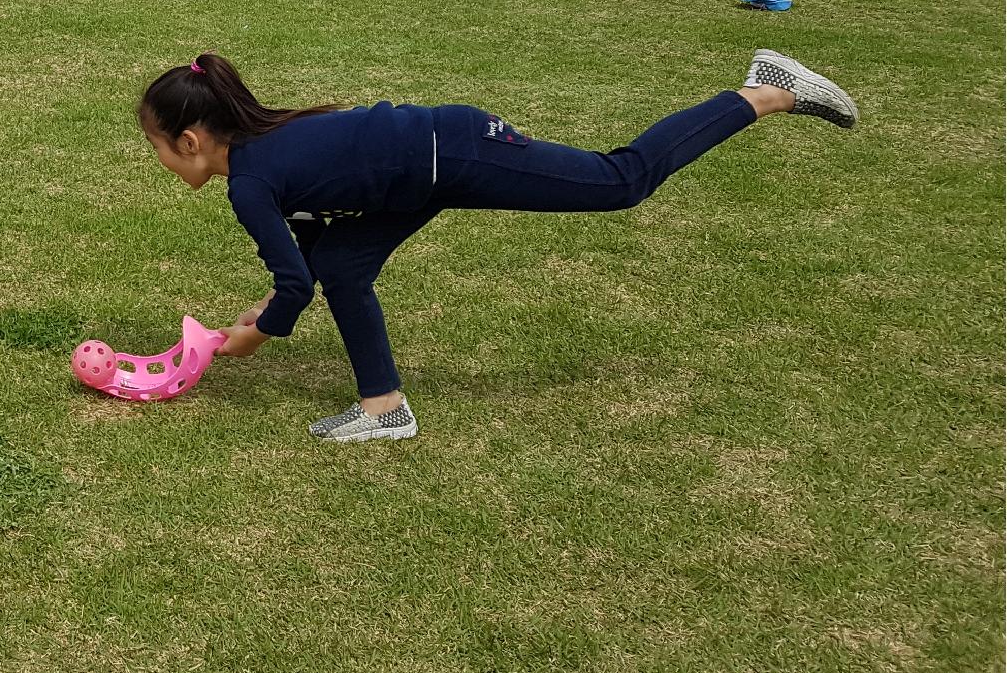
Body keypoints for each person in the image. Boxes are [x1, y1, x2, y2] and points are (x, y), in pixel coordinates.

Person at [137, 48, 858, 442]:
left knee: (619, 181)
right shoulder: (262, 159)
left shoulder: (249, 183)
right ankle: (384, 408)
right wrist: (272, 301)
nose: (161, 162)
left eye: (158, 148)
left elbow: (292, 288)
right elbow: (306, 258)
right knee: (345, 266)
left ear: (192, 140)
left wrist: (256, 335)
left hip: (452, 151)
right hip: (419, 172)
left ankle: (766, 91)